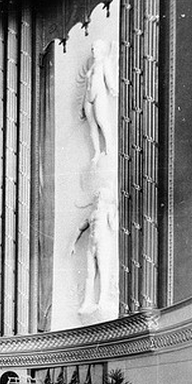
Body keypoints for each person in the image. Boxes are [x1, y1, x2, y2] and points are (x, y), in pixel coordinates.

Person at [71, 187, 118, 315]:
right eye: (97, 197)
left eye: (100, 196)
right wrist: (72, 244)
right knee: (89, 274)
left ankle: (102, 301)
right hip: (91, 245)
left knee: (103, 271)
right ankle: (87, 302)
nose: (98, 199)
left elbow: (114, 228)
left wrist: (115, 213)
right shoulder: (92, 214)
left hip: (103, 243)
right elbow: (80, 228)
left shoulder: (108, 210)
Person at [81, 39, 118, 163]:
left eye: (95, 48)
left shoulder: (104, 61)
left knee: (102, 120)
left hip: (99, 94)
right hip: (88, 96)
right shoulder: (91, 64)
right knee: (92, 126)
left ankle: (109, 147)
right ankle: (97, 152)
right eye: (92, 48)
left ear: (101, 49)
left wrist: (113, 88)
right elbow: (87, 84)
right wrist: (82, 104)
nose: (93, 51)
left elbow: (108, 77)